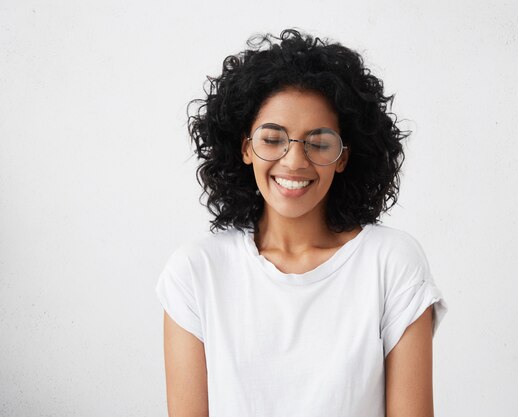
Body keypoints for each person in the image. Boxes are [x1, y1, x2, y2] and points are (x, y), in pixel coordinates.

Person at [155, 28, 448, 417]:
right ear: (245, 148)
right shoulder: (196, 271)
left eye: (319, 142)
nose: (294, 161)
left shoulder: (391, 263)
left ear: (344, 156)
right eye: (273, 139)